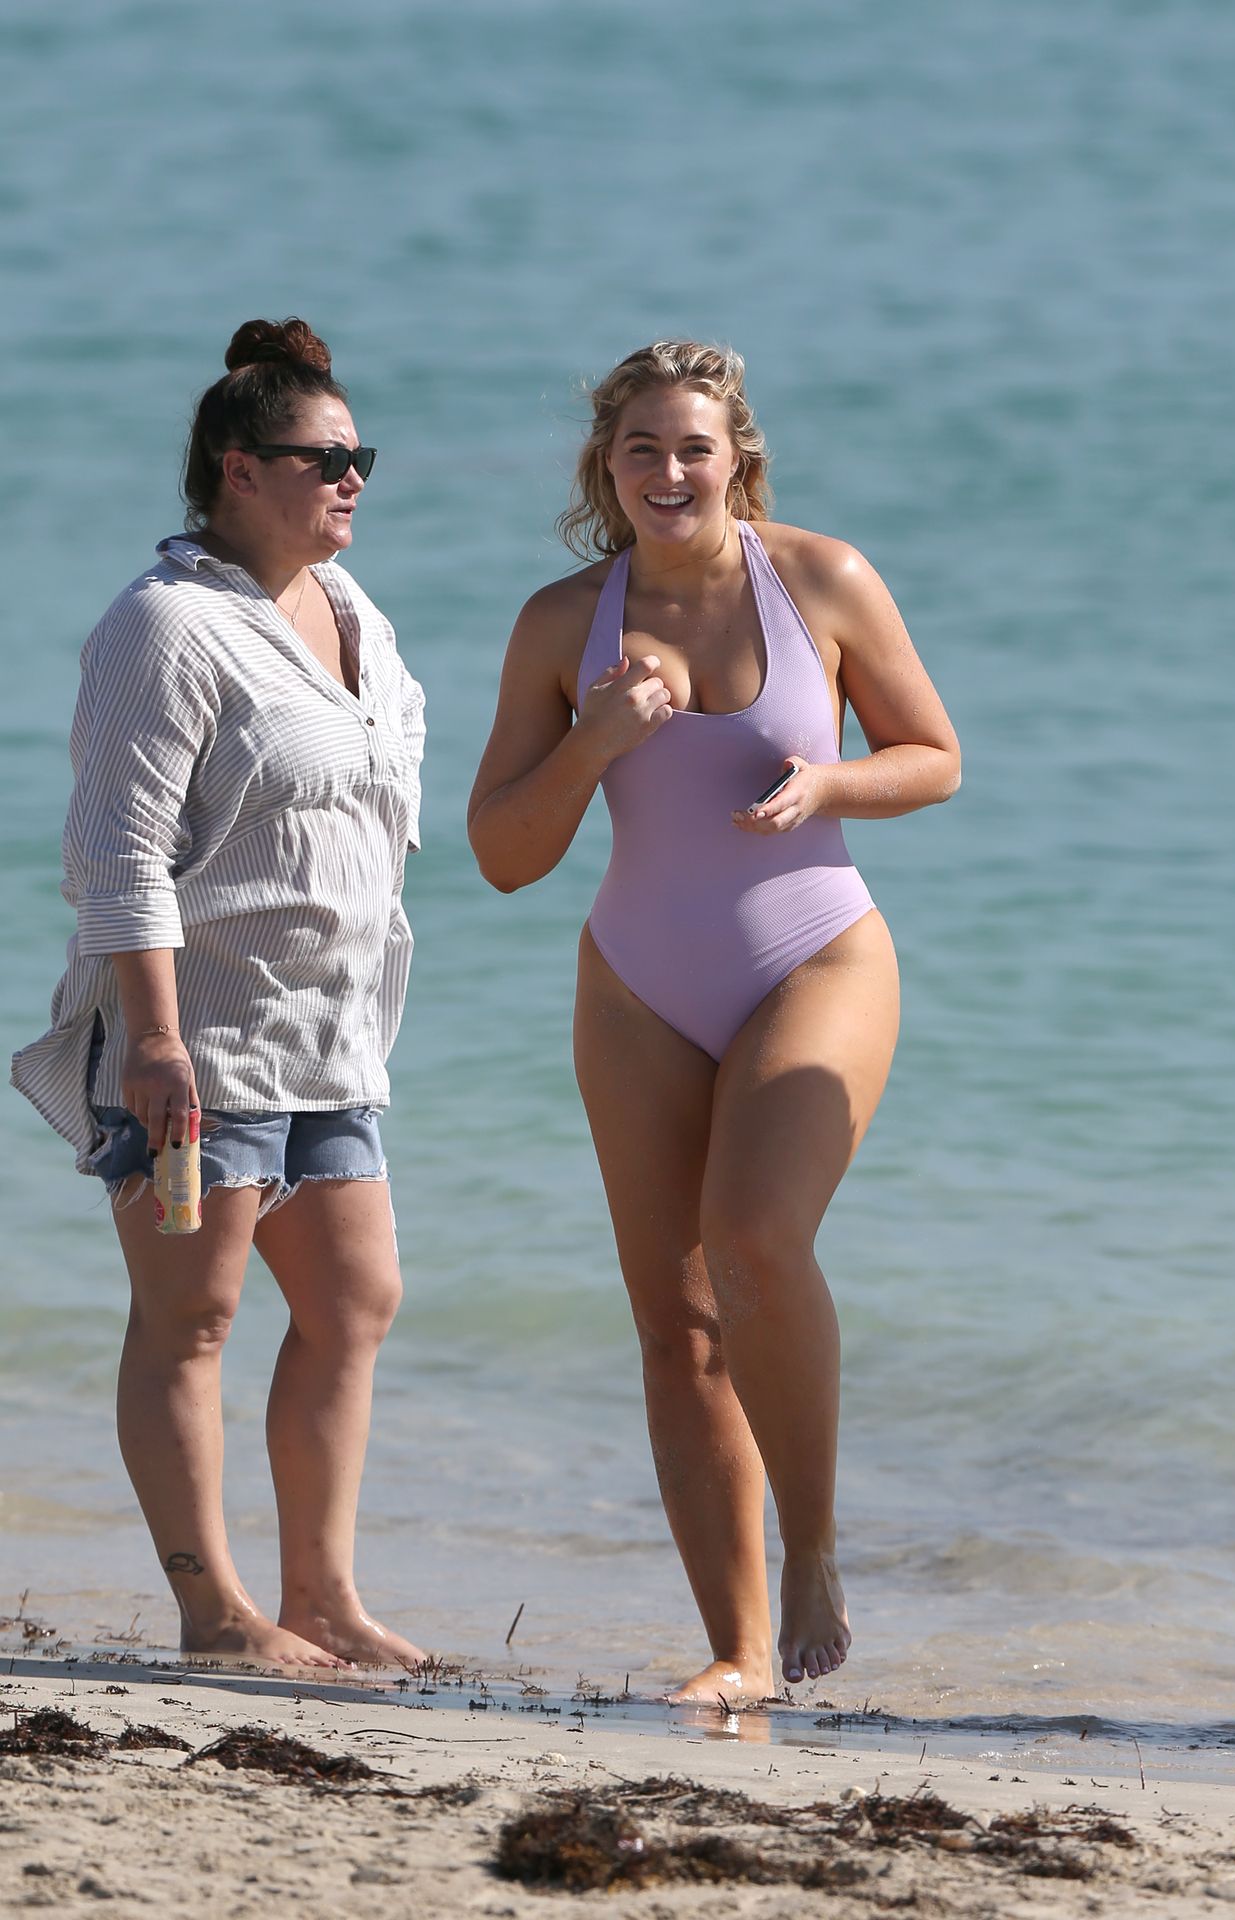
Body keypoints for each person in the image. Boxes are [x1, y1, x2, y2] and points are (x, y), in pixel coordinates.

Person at [468, 341, 960, 1701]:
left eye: (695, 446)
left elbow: (936, 758)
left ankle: (814, 1549)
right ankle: (738, 1652)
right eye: (642, 448)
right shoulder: (561, 623)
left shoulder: (823, 579)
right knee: (677, 1326)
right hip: (638, 981)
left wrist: (829, 786)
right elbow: (503, 854)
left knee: (752, 1238)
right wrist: (594, 741)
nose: (670, 471)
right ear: (605, 469)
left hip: (818, 954)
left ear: (739, 455)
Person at [12, 318, 427, 1672]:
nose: (352, 478)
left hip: (332, 1036)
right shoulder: (165, 624)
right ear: (238, 470)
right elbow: (116, 851)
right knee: (191, 1318)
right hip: (200, 1038)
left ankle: (324, 1597)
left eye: (361, 458)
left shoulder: (353, 614)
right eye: (324, 459)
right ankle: (214, 1611)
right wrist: (154, 1038)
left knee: (356, 1301)